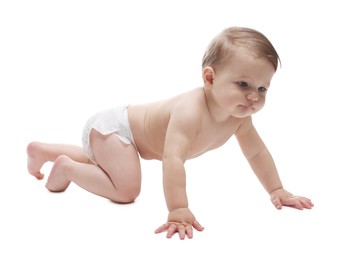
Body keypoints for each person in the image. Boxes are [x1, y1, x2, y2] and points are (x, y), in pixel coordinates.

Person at [27, 27, 314, 240]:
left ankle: (44, 151)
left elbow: (257, 152)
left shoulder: (238, 118)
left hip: (121, 140)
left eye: (262, 88)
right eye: (243, 84)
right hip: (116, 129)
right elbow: (173, 159)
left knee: (106, 162)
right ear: (210, 78)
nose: (253, 97)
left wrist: (277, 189)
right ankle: (65, 167)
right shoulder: (190, 111)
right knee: (126, 190)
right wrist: (178, 209)